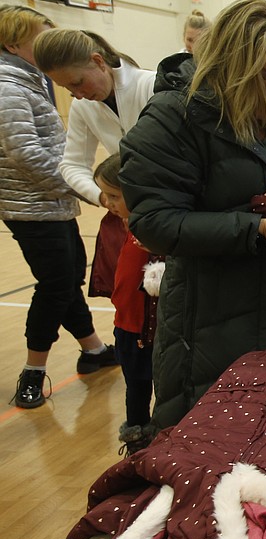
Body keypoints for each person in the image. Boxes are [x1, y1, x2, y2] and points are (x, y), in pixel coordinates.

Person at [119, 0, 266, 429]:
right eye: (263, 77)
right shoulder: (176, 118)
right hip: (214, 327)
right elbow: (154, 222)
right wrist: (259, 228)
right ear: (228, 65)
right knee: (220, 451)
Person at [1, 5, 116, 408]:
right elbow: (24, 152)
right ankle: (33, 371)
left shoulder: (27, 80)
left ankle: (94, 350)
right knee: (54, 286)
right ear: (13, 44)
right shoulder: (8, 85)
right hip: (31, 206)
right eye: (39, 36)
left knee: (67, 279)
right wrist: (82, 187)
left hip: (51, 203)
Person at [33, 28, 157, 299]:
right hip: (130, 220)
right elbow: (71, 165)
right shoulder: (82, 107)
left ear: (99, 62)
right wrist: (104, 198)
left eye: (78, 83)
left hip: (167, 215)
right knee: (130, 302)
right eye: (67, 89)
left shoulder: (152, 85)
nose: (76, 95)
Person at [93, 155, 162, 454]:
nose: (106, 202)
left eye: (114, 196)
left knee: (164, 390)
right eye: (104, 195)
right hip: (126, 327)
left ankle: (165, 442)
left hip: (154, 331)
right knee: (135, 388)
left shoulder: (155, 229)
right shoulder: (119, 224)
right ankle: (136, 443)